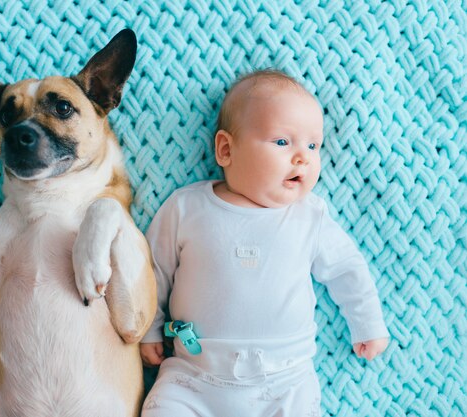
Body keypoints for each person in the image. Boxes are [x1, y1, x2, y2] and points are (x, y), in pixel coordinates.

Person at [139, 69, 390, 416]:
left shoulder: (310, 216)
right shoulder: (187, 207)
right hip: (193, 377)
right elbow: (152, 270)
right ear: (226, 149)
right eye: (283, 142)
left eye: (313, 145)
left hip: (285, 382)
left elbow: (347, 269)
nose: (303, 156)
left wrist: (368, 323)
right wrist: (149, 328)